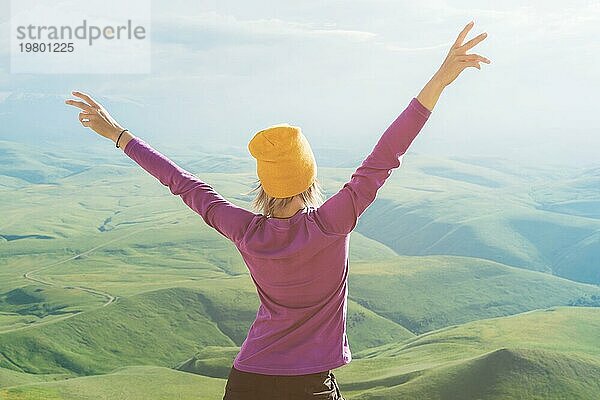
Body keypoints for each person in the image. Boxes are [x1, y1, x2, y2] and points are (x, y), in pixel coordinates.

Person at [66, 20, 489, 400]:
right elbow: (386, 153)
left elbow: (182, 183)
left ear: (263, 183)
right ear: (311, 177)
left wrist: (118, 134)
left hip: (248, 379)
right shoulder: (333, 221)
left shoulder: (244, 230)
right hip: (309, 385)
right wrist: (441, 79)